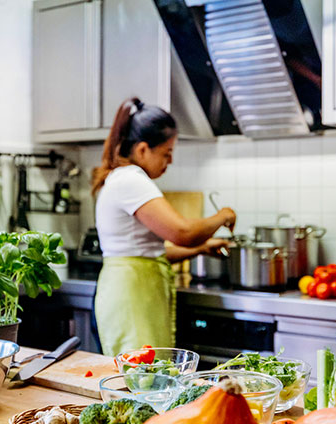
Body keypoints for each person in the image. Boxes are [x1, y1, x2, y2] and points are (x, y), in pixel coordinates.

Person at [93, 97, 236, 357]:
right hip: (132, 297)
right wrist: (223, 216)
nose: (168, 162)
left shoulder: (123, 179)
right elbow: (182, 233)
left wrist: (202, 248)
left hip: (134, 292)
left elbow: (151, 252)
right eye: (166, 153)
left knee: (148, 380)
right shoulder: (131, 180)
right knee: (144, 381)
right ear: (142, 149)